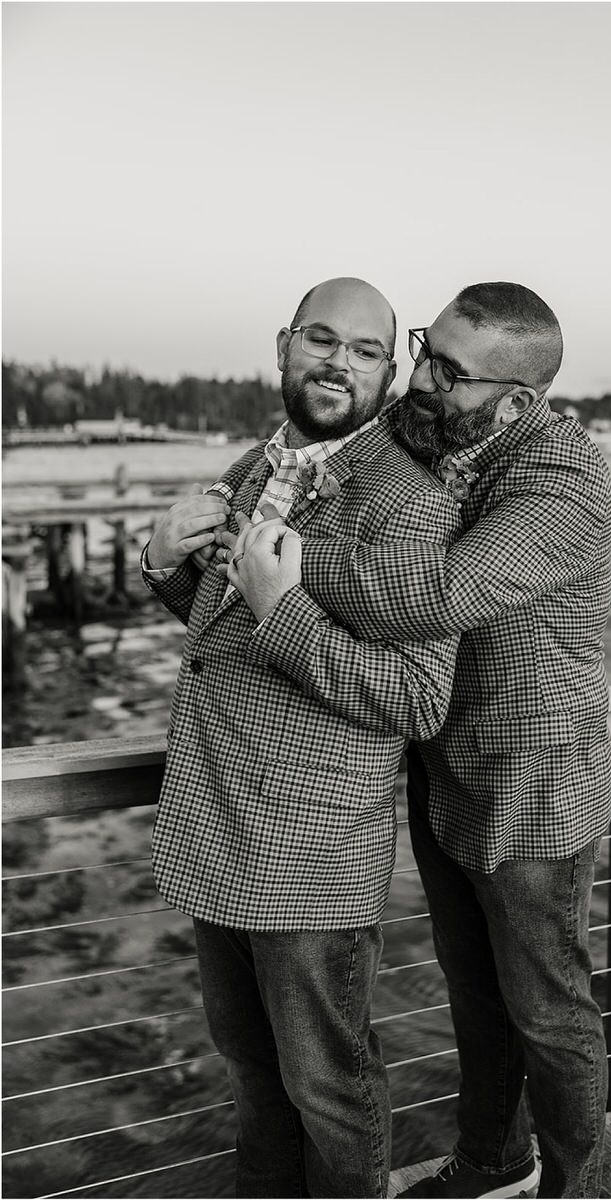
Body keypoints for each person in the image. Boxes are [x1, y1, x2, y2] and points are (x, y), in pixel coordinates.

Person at [236, 283, 611, 1199]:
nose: (420, 377)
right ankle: (495, 1163)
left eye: (449, 371)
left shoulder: (563, 481)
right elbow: (338, 461)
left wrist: (270, 558)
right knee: (476, 999)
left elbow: (430, 596)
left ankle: (575, 1188)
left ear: (517, 402)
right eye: (423, 349)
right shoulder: (439, 435)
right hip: (442, 771)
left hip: (534, 787)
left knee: (549, 1012)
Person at [141, 277, 463, 1199]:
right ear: (283, 344)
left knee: (329, 1089)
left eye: (365, 351)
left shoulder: (407, 505)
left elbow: (415, 699)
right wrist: (163, 559)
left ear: (392, 368)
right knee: (253, 1083)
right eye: (322, 341)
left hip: (310, 854)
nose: (339, 364)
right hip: (215, 832)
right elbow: (222, 631)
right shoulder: (257, 465)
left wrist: (282, 609)